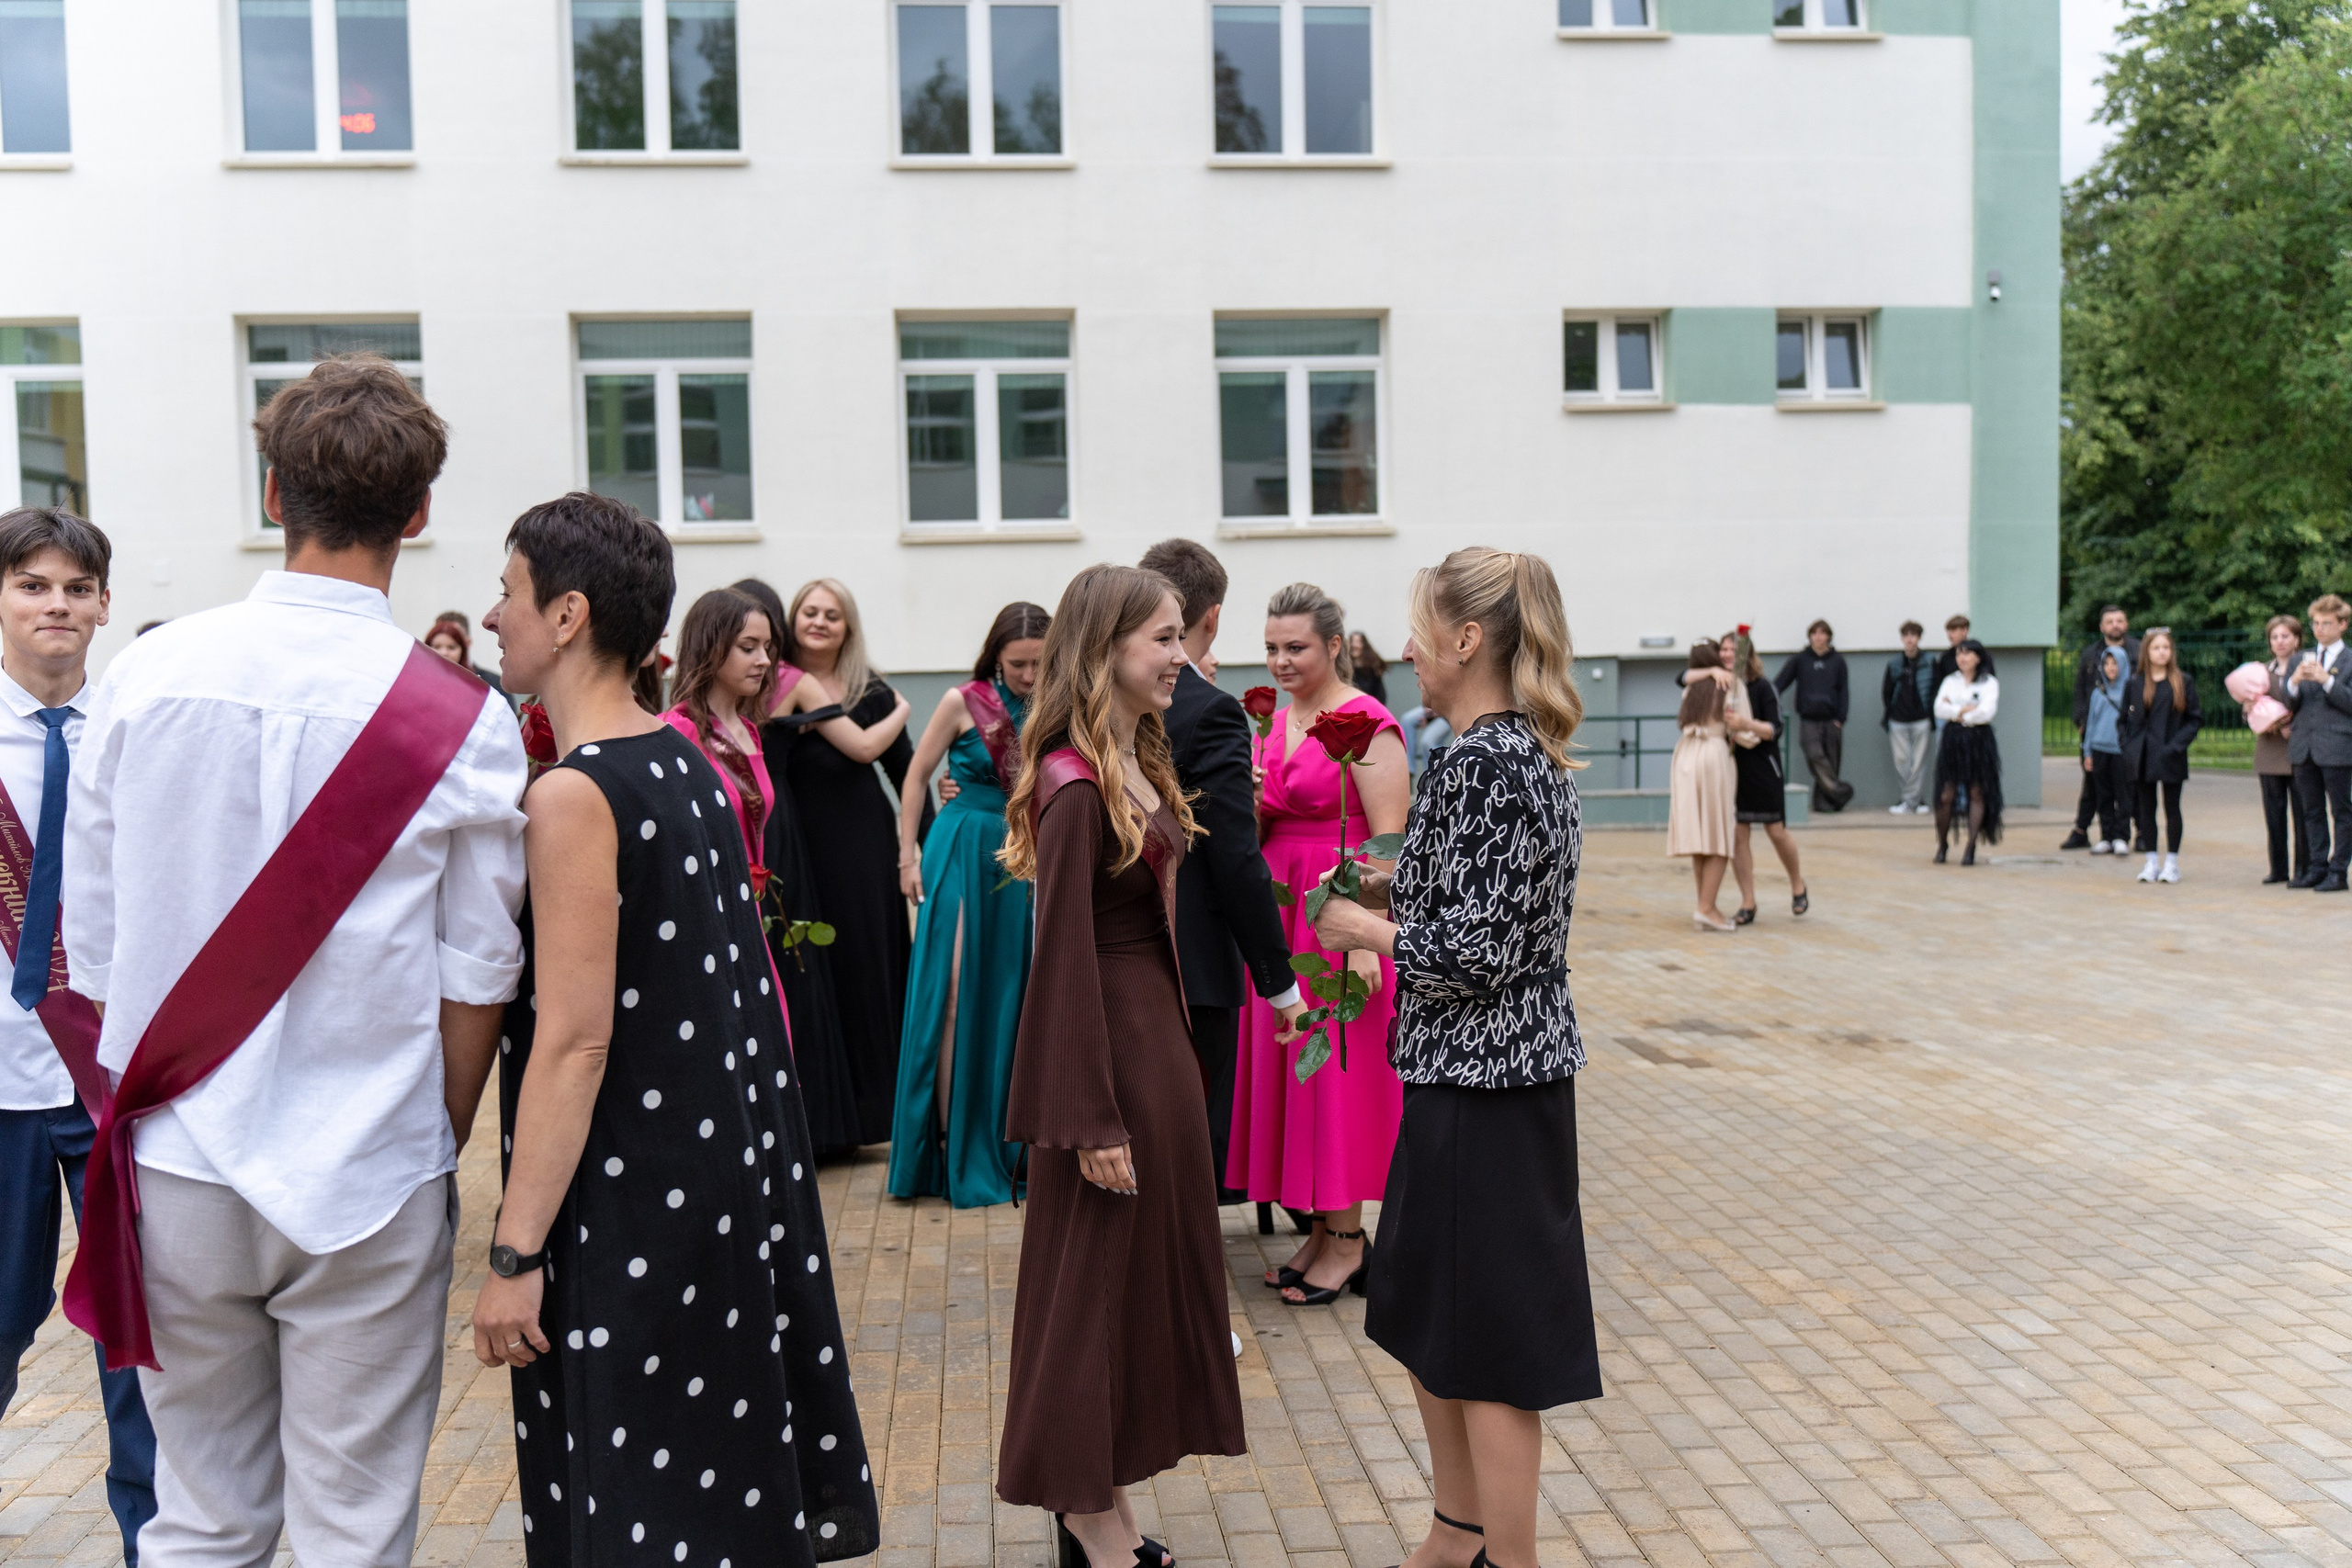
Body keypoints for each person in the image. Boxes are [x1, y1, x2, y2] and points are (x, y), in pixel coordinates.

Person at [61, 355, 526, 1562]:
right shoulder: (465, 719)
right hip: (370, 1165)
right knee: (352, 1529)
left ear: (272, 494)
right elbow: (478, 973)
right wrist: (432, 1139)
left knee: (201, 1517)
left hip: (176, 1156)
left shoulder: (144, 675)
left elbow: (93, 949)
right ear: (417, 512)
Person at [469, 494, 877, 1565]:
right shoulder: (683, 762)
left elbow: (575, 1042)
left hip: (626, 1207)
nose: (493, 616)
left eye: (508, 594)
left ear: (567, 615)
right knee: (711, 1498)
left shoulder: (575, 794)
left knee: (636, 1505)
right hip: (713, 1191)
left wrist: (514, 1251)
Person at [1311, 546, 1600, 1568]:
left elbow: (1480, 954)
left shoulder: (1485, 762)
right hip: (1477, 1084)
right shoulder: (1510, 752)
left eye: (1421, 629)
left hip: (1488, 1090)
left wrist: (1365, 929)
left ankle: (1502, 1556)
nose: (1406, 649)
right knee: (1434, 1320)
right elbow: (1491, 907)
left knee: (1489, 1345)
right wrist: (1392, 888)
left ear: (1468, 640)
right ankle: (1457, 1533)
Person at [993, 564, 1245, 1568]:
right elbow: (1058, 960)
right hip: (1107, 1066)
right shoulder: (1072, 784)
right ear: (1106, 649)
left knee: (1130, 1289)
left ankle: (1108, 1509)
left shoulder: (1136, 756)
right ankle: (1088, 1520)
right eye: (1164, 638)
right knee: (1085, 1295)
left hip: (1153, 1048)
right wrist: (1087, 1115)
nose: (1182, 656)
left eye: (1181, 634)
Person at [0, 508, 156, 1562]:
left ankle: (157, 1539)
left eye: (75, 587)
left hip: (112, 1085)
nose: (55, 604)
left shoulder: (140, 735)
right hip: (2, 1087)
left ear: (104, 605)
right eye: (31, 585)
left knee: (137, 1340)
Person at [1232, 582, 1408, 1307]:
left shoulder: (1368, 722)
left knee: (1336, 1075)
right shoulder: (1274, 722)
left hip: (1337, 911)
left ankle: (1348, 1242)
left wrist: (1366, 939)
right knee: (1298, 1074)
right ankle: (1319, 1234)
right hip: (1280, 909)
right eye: (1271, 647)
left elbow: (1390, 841)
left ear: (1335, 645)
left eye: (1295, 647)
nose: (1280, 660)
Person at [1136, 539, 1302, 1209]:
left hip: (1113, 950)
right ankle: (1181, 1272)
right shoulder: (1211, 710)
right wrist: (1279, 982)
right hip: (1193, 960)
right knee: (1185, 1143)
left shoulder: (1088, 700)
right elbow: (1233, 856)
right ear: (1214, 615)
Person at [886, 601, 1050, 1207]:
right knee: (951, 993)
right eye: (1016, 664)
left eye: (1038, 663)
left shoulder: (1061, 702)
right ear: (995, 657)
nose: (1027, 675)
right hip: (959, 846)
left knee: (1010, 994)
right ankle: (946, 1140)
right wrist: (907, 857)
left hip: (1024, 855)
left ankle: (1002, 1139)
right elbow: (915, 775)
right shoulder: (963, 700)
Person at [777, 578, 918, 1152]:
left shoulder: (871, 690)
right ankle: (825, 1119)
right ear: (793, 619)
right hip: (803, 853)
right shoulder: (778, 686)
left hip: (864, 853)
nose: (819, 622)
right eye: (809, 612)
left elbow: (907, 774)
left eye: (831, 615)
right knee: (816, 975)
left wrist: (922, 850)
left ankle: (879, 1116)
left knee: (868, 973)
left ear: (848, 627)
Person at [660, 588, 778, 887]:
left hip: (748, 900)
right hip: (707, 897)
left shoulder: (750, 731)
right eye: (748, 648)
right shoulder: (678, 730)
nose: (764, 660)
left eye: (767, 647)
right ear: (710, 648)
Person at [1722, 630, 1808, 922]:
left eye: (1732, 649)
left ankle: (1797, 884)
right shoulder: (1723, 685)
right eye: (1723, 650)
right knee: (1738, 834)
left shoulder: (1763, 687)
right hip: (1735, 769)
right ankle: (1748, 902)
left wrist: (1745, 724)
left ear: (1745, 654)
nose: (1726, 654)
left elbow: (1775, 728)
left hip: (1764, 768)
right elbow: (1682, 678)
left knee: (1776, 831)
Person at [1668, 642, 1747, 930]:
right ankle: (1706, 908)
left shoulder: (1691, 688)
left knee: (1700, 837)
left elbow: (1682, 677)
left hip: (1685, 755)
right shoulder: (1730, 684)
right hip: (1713, 754)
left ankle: (1705, 905)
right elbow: (1742, 731)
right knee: (1719, 835)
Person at [2119, 626, 2200, 885]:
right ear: (2147, 652)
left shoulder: (2182, 682)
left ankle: (2171, 863)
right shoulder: (2135, 683)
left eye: (2166, 647)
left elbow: (2194, 719)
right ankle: (2151, 862)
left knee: (2172, 808)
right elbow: (2123, 720)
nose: (2161, 652)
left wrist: (2175, 747)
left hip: (2169, 755)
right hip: (2141, 757)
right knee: (2146, 809)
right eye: (2156, 648)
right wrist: (2128, 746)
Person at [2286, 592, 2352, 892]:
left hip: (2338, 747)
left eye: (2326, 623)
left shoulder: (2349, 660)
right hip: (2304, 746)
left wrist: (2327, 680)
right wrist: (2294, 681)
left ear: (2342, 624)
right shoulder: (2300, 659)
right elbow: (2288, 703)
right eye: (2315, 623)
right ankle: (2317, 867)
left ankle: (2338, 871)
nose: (2319, 629)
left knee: (2341, 811)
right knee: (2310, 811)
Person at [2062, 605, 2139, 850]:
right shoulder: (2091, 654)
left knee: (2130, 787)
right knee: (2094, 785)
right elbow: (2080, 689)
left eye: (2120, 620)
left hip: (2127, 739)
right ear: (2102, 627)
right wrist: (2082, 722)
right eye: (2110, 621)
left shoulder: (2138, 651)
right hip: (2096, 736)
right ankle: (2085, 830)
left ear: (2126, 624)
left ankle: (2137, 833)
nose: (2115, 625)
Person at [1931, 640, 2003, 863]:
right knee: (1946, 794)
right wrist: (1963, 710)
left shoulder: (1989, 683)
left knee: (1977, 792)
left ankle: (1970, 847)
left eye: (1967, 654)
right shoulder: (1950, 681)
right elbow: (1938, 708)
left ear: (1978, 657)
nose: (1962, 658)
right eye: (1959, 654)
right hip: (1953, 740)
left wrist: (1959, 713)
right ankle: (1942, 844)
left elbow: (1986, 712)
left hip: (1978, 739)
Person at [2254, 614, 2312, 886]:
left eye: (2285, 636)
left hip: (2300, 752)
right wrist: (2270, 723)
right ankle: (2278, 869)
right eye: (2274, 637)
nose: (2280, 641)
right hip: (2269, 752)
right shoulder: (2260, 673)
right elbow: (2249, 711)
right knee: (2273, 815)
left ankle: (2303, 869)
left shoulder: (2308, 669)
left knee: (2303, 814)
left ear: (2297, 639)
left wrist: (2294, 727)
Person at [1773, 620, 1851, 812]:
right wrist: (1767, 701)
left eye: (1822, 633)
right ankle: (1839, 791)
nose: (1818, 637)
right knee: (1815, 756)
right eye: (1814, 633)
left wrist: (1841, 717)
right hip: (1808, 720)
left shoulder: (1838, 661)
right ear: (1810, 637)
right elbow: (1780, 683)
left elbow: (1843, 691)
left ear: (1828, 637)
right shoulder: (1800, 659)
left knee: (1831, 762)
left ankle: (1824, 803)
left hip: (1832, 720)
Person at [2081, 644, 2132, 856]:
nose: (2111, 668)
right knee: (2103, 796)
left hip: (2121, 751)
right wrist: (2087, 752)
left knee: (2124, 795)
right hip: (2099, 749)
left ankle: (2121, 836)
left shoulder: (2130, 692)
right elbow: (2091, 724)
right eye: (2107, 663)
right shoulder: (2098, 693)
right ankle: (2106, 837)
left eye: (2115, 663)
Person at [1881, 620, 1935, 814]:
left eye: (1913, 635)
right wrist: (1891, 711)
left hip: (1921, 718)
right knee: (1902, 761)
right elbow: (1886, 690)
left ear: (1919, 638)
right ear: (1902, 638)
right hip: (1898, 719)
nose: (1910, 639)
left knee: (1918, 762)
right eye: (1906, 635)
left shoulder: (1929, 662)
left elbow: (1933, 688)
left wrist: (1930, 713)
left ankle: (1910, 803)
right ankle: (1914, 801)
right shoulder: (1895, 663)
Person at [431, 607, 514, 703]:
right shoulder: (424, 682)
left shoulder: (493, 685)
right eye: (437, 646)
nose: (443, 652)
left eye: (452, 645)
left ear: (467, 643)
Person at [1348, 630, 1390, 707]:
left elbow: (1380, 694)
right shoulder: (1345, 667)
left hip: (1369, 706)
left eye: (1358, 642)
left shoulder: (1372, 667)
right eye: (1352, 641)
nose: (1354, 645)